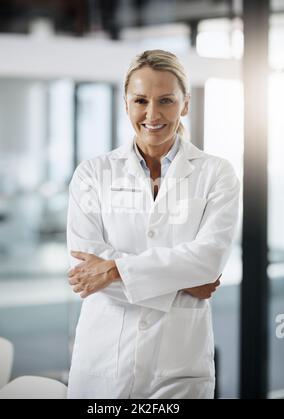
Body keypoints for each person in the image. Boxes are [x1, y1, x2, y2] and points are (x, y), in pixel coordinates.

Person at [66, 49, 240, 399]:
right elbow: (84, 266)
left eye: (166, 101)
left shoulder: (216, 173)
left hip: (178, 363)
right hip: (104, 361)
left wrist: (114, 270)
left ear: (185, 104)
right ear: (126, 103)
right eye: (141, 100)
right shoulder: (92, 173)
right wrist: (182, 280)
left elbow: (207, 260)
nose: (152, 114)